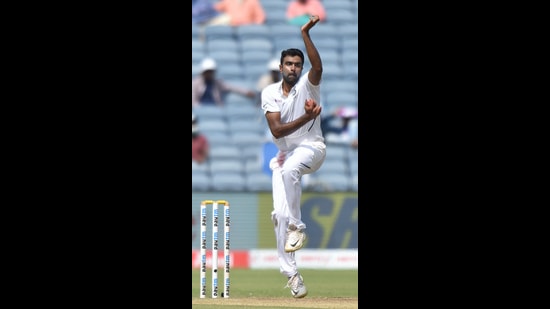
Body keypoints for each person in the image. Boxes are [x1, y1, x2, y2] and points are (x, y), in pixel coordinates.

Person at [260, 15, 325, 299]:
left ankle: (299, 226)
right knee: (278, 216)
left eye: (297, 65)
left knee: (290, 173)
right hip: (285, 154)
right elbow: (276, 131)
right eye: (289, 64)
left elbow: (318, 66)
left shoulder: (308, 86)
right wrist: (306, 116)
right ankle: (292, 275)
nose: (293, 68)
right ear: (280, 67)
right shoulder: (270, 93)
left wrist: (305, 34)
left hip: (312, 148)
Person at [192, 57, 256, 107]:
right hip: (201, 109)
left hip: (216, 108)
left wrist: (246, 92)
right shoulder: (195, 83)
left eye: (211, 71)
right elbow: (194, 100)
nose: (209, 74)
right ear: (203, 72)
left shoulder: (217, 83)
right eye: (207, 72)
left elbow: (232, 87)